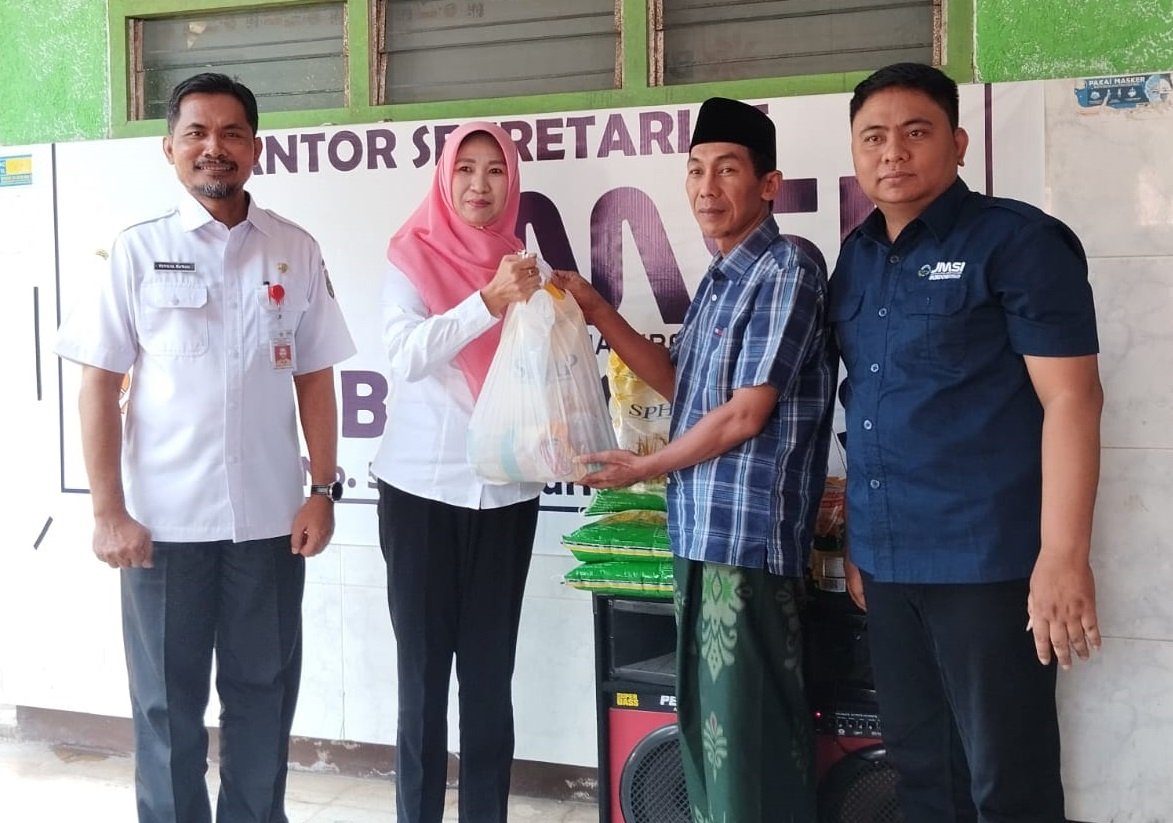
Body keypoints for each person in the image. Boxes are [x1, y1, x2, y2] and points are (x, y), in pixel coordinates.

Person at [54, 72, 356, 823]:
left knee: (263, 699)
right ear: (170, 148)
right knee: (166, 710)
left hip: (268, 525)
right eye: (196, 133)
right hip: (162, 531)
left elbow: (316, 376)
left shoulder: (293, 248)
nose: (213, 147)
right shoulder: (137, 251)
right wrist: (108, 512)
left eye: (231, 133)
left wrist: (322, 490)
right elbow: (97, 385)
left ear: (255, 148)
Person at [830, 62, 1103, 821]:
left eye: (915, 132)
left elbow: (1073, 398)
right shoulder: (856, 256)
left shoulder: (1016, 241)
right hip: (888, 563)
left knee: (1006, 780)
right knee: (922, 771)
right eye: (873, 137)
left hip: (988, 563)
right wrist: (859, 539)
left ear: (957, 142)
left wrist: (1063, 555)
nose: (892, 152)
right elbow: (871, 404)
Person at [554, 97, 836, 822]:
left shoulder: (787, 265)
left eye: (727, 170)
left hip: (747, 540)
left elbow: (745, 413)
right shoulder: (718, 277)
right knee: (708, 738)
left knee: (747, 739)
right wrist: (596, 309)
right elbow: (683, 386)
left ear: (768, 184)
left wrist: (644, 470)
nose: (707, 187)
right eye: (695, 170)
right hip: (699, 532)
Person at [370, 120, 548, 823]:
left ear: (512, 181)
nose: (480, 184)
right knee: (421, 682)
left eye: (495, 169)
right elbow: (406, 354)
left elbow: (541, 370)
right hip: (420, 489)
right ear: (444, 176)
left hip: (506, 492)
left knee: (489, 681)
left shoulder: (523, 265)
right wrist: (486, 302)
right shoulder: (409, 255)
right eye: (466, 168)